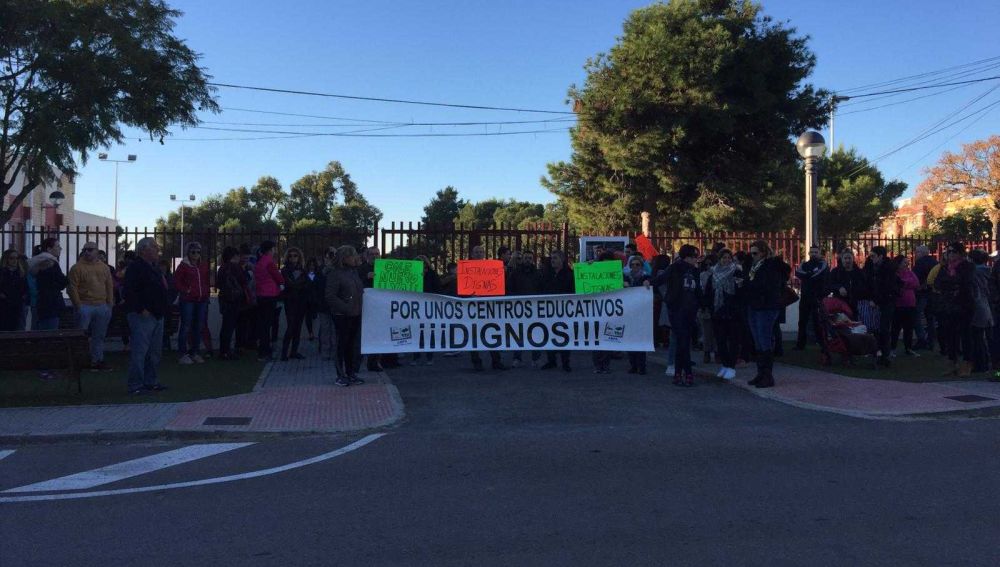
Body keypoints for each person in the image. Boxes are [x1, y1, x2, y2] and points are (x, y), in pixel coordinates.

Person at [123, 237, 171, 395]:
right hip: (143, 315)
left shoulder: (154, 267)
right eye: (154, 247)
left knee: (154, 352)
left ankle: (151, 381)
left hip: (156, 314)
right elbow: (128, 291)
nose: (158, 250)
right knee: (140, 351)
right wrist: (141, 309)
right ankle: (135, 385)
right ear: (144, 249)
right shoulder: (135, 267)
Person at [657, 244, 701, 386]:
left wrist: (703, 305)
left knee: (684, 342)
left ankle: (678, 373)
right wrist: (646, 282)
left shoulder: (695, 271)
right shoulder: (674, 268)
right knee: (682, 340)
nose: (696, 259)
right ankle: (687, 372)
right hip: (676, 309)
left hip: (690, 310)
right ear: (687, 257)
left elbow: (698, 290)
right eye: (694, 256)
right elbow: (661, 279)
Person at [743, 240, 785, 388]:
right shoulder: (754, 266)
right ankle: (761, 373)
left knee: (764, 339)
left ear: (763, 252)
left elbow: (766, 285)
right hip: (754, 305)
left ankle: (767, 376)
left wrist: (748, 284)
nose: (752, 256)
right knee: (758, 340)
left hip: (766, 306)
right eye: (751, 253)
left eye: (755, 253)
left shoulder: (770, 266)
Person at [68, 242, 115, 371]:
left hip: (102, 305)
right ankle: (79, 361)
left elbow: (109, 285)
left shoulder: (104, 268)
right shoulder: (77, 268)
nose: (87, 252)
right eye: (85, 250)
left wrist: (110, 303)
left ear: (97, 251)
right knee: (80, 336)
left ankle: (97, 360)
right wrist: (78, 305)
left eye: (90, 250)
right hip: (85, 306)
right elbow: (72, 288)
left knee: (99, 336)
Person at [934, 242, 975, 376]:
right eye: (948, 252)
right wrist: (950, 286)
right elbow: (938, 282)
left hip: (964, 305)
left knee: (965, 334)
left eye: (953, 252)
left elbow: (965, 283)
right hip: (948, 305)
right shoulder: (945, 268)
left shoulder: (967, 266)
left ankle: (967, 363)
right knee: (950, 334)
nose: (950, 255)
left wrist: (952, 285)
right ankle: (952, 362)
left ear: (959, 253)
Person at [326, 245, 365, 386]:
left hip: (355, 314)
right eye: (352, 255)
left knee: (351, 345)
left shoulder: (354, 273)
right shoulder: (335, 274)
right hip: (342, 315)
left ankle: (350, 373)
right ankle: (340, 375)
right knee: (341, 345)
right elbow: (330, 296)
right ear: (345, 258)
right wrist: (346, 307)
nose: (356, 258)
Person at [705, 249, 741, 381]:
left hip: (732, 311)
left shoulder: (736, 271)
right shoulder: (713, 273)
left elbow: (740, 290)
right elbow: (709, 291)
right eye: (724, 258)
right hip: (717, 310)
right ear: (719, 259)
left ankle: (731, 366)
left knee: (733, 340)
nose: (726, 260)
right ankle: (725, 364)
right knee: (720, 340)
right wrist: (708, 306)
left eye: (729, 258)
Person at [172, 242, 211, 364]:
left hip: (202, 299)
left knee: (198, 326)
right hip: (188, 300)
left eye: (198, 252)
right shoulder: (183, 266)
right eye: (193, 252)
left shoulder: (203, 265)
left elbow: (206, 280)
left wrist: (206, 293)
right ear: (188, 253)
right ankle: (182, 354)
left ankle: (195, 352)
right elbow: (176, 282)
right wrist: (186, 290)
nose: (196, 254)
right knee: (186, 326)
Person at [864, 246, 901, 367]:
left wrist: (877, 300)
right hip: (875, 300)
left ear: (880, 256)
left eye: (873, 256)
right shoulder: (870, 266)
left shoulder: (888, 268)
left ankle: (884, 355)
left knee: (884, 328)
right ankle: (877, 352)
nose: (871, 258)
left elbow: (887, 287)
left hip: (886, 301)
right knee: (874, 328)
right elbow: (868, 282)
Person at [539, 250, 574, 372]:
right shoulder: (546, 274)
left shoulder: (570, 274)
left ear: (562, 260)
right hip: (549, 310)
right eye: (551, 258)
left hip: (564, 310)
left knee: (564, 335)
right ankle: (551, 360)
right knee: (549, 334)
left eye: (555, 258)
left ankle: (565, 362)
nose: (552, 260)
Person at [508, 250, 542, 368]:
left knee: (535, 333)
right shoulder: (516, 273)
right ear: (522, 259)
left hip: (534, 308)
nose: (528, 260)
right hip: (519, 308)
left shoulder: (538, 273)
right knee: (518, 334)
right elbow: (510, 288)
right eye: (526, 258)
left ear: (532, 260)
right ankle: (517, 358)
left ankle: (536, 358)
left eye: (530, 258)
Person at [253, 241, 285, 362]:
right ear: (271, 249)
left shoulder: (259, 262)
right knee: (268, 325)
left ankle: (262, 351)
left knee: (263, 324)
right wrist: (282, 284)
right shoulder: (269, 261)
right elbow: (278, 276)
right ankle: (265, 352)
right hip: (270, 295)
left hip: (261, 295)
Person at [216, 246, 249, 360]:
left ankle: (223, 350)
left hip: (225, 299)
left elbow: (218, 283)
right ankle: (228, 351)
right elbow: (244, 281)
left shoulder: (222, 268)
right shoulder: (236, 267)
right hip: (235, 299)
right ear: (234, 256)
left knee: (226, 326)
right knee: (233, 326)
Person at [28, 238, 67, 330]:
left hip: (37, 301)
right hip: (50, 303)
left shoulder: (34, 262)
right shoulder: (50, 262)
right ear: (49, 249)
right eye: (57, 246)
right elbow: (60, 282)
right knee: (49, 332)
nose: (60, 249)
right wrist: (66, 279)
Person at [794, 245, 829, 350]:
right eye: (812, 252)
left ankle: (822, 344)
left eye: (815, 252)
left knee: (818, 322)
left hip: (817, 297)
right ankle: (800, 345)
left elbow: (819, 275)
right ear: (809, 253)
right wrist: (810, 274)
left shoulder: (823, 264)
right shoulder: (804, 264)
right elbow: (798, 273)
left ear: (819, 253)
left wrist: (807, 276)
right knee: (802, 322)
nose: (813, 254)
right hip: (805, 297)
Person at [280, 247, 310, 361]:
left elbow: (307, 285)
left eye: (295, 255)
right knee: (291, 326)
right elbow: (288, 284)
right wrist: (299, 283)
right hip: (290, 301)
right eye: (291, 255)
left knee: (298, 328)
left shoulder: (303, 270)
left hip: (301, 301)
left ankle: (294, 351)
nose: (293, 258)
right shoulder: (285, 270)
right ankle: (284, 352)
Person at [411, 255, 440, 366]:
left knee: (429, 332)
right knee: (415, 332)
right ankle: (415, 356)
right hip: (415, 308)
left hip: (428, 307)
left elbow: (437, 289)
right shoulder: (411, 274)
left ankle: (429, 356)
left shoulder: (432, 275)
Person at [624, 255, 651, 374]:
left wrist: (648, 282)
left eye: (637, 264)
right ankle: (633, 365)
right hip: (629, 312)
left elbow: (652, 286)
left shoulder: (646, 277)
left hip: (641, 312)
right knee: (630, 340)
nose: (635, 267)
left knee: (641, 340)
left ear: (641, 266)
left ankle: (642, 366)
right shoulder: (626, 277)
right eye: (633, 265)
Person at [890, 255, 920, 357]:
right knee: (895, 328)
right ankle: (892, 347)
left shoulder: (910, 273)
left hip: (910, 304)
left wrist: (904, 283)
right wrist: (907, 284)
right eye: (904, 262)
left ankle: (908, 348)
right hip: (898, 305)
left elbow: (916, 283)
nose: (907, 264)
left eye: (907, 262)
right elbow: (897, 284)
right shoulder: (895, 274)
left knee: (909, 328)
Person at [969, 249, 993, 373]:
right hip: (989, 305)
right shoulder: (990, 271)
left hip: (979, 305)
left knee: (977, 336)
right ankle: (990, 363)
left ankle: (980, 364)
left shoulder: (974, 273)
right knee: (989, 337)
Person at [827, 249, 867, 317]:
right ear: (842, 259)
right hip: (840, 304)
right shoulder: (835, 272)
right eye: (845, 258)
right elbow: (829, 285)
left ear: (853, 259)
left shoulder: (859, 272)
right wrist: (839, 287)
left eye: (849, 258)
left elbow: (865, 286)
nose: (847, 260)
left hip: (856, 305)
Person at [912, 245, 937, 350]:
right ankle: (931, 340)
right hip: (933, 293)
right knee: (930, 317)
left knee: (916, 316)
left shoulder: (919, 263)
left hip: (922, 293)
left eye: (916, 252)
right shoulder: (935, 262)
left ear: (921, 253)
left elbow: (915, 278)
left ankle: (921, 339)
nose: (915, 254)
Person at [315, 248, 337, 360]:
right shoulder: (320, 271)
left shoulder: (339, 270)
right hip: (324, 305)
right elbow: (317, 286)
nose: (332, 257)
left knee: (334, 330)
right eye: (329, 255)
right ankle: (325, 352)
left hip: (336, 305)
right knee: (325, 329)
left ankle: (334, 352)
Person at [0, 249, 28, 332]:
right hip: (3, 304)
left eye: (16, 258)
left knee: (17, 327)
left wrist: (23, 297)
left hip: (17, 304)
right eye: (11, 258)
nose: (14, 260)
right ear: (6, 259)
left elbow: (25, 288)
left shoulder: (21, 272)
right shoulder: (2, 272)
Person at [236, 244, 257, 351]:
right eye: (244, 257)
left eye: (247, 258)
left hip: (250, 298)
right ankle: (240, 345)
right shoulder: (237, 267)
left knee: (249, 322)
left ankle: (249, 343)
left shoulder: (251, 267)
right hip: (241, 298)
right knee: (240, 323)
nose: (245, 260)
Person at [304, 257, 320, 342]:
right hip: (307, 299)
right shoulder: (305, 274)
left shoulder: (318, 274)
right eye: (310, 265)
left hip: (315, 299)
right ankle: (311, 333)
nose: (312, 267)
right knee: (308, 317)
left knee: (315, 316)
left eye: (313, 265)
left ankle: (314, 332)